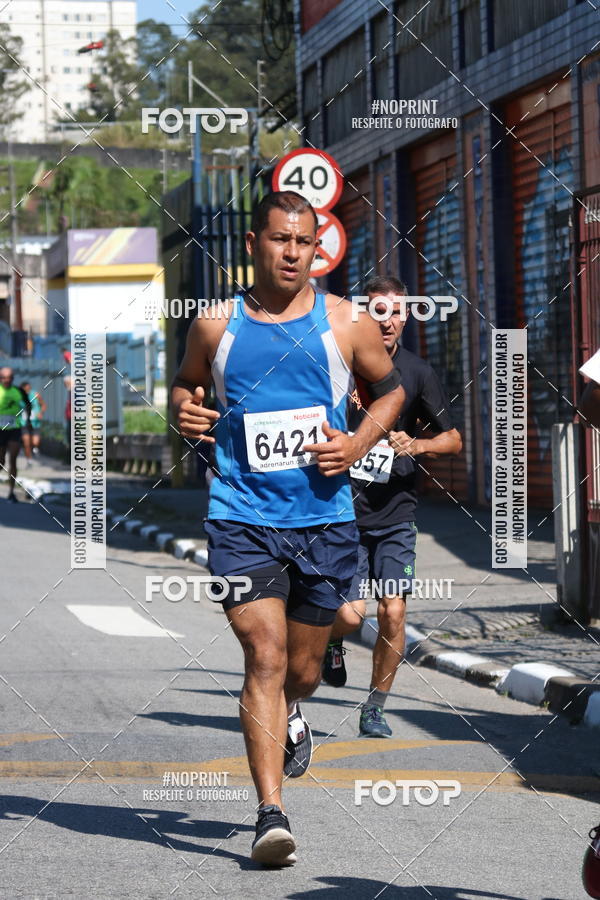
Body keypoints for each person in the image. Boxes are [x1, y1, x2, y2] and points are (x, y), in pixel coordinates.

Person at [171, 191, 405, 866]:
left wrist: (359, 443)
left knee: (301, 671)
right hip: (241, 518)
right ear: (254, 244)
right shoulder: (217, 326)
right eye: (279, 240)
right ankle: (270, 814)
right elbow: (186, 387)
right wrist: (186, 409)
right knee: (265, 656)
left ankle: (294, 712)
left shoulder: (346, 323)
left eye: (304, 242)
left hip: (325, 521)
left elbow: (389, 391)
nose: (292, 252)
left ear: (317, 247)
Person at [322, 276, 462, 739]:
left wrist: (417, 444)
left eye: (394, 312)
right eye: (376, 311)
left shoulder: (417, 372)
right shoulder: (342, 365)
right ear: (365, 315)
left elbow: (453, 439)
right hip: (342, 509)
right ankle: (332, 642)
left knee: (394, 612)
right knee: (347, 614)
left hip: (396, 513)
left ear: (405, 317)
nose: (386, 321)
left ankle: (375, 707)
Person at [0, 367, 26, 503]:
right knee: (1, 460)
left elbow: (28, 405)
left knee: (13, 461)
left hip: (14, 429)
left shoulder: (18, 392)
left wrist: (27, 420)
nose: (6, 380)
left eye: (8, 377)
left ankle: (11, 492)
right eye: (3, 377)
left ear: (13, 378)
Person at [20, 382, 46, 464]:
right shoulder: (18, 397)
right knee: (26, 442)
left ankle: (35, 448)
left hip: (35, 422)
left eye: (28, 389)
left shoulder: (35, 395)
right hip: (24, 422)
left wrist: (41, 413)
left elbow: (43, 405)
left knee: (34, 442)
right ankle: (29, 459)